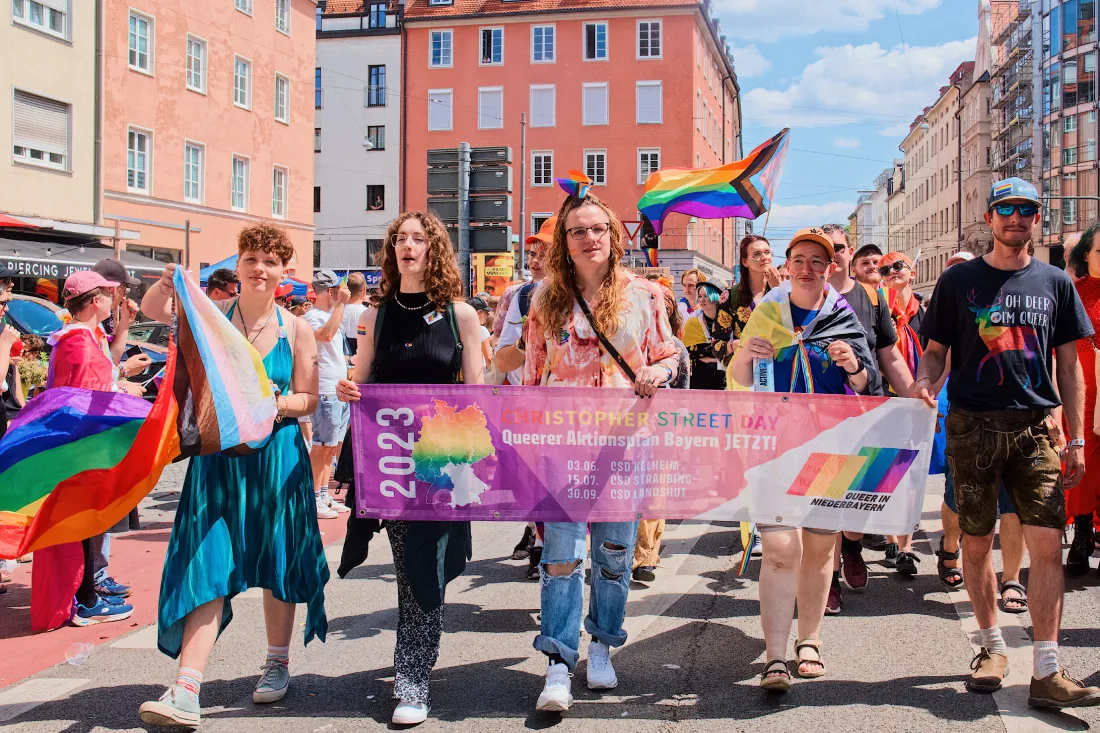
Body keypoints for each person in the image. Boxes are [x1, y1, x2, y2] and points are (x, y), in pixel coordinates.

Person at [914, 177, 1100, 708]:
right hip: (972, 426)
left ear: (1037, 219)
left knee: (1047, 546)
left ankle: (1047, 668)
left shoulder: (1056, 283)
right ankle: (992, 647)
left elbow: (1071, 367)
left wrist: (1078, 439)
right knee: (975, 544)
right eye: (1005, 209)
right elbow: (933, 351)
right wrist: (927, 381)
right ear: (989, 218)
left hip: (1038, 427)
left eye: (1026, 210)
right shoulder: (958, 283)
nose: (1015, 218)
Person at [137, 222, 328, 728]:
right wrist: (166, 282)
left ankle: (276, 663)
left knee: (278, 561)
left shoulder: (297, 329)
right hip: (218, 463)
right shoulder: (212, 318)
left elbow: (311, 398)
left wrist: (275, 402)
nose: (260, 270)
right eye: (251, 260)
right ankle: (186, 688)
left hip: (277, 456)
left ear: (284, 271)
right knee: (207, 561)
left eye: (270, 263)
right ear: (238, 265)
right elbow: (153, 312)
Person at [522, 193, 680, 712]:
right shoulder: (545, 300)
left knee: (614, 558)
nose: (589, 239)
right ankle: (558, 662)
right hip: (562, 449)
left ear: (614, 236)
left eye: (598, 229)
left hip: (624, 445)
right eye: (576, 232)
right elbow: (532, 376)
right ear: (564, 244)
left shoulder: (647, 296)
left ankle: (602, 644)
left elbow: (668, 353)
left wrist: (660, 371)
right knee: (561, 558)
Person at [335, 210, 484, 726]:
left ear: (434, 249)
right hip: (393, 461)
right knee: (410, 571)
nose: (408, 246)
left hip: (442, 464)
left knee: (430, 569)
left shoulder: (460, 315)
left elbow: (478, 397)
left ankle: (416, 667)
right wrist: (347, 389)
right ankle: (412, 677)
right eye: (401, 238)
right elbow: (361, 379)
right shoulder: (374, 315)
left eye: (419, 239)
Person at [729, 227, 876, 692]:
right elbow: (739, 377)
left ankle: (808, 640)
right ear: (786, 265)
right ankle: (775, 654)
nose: (808, 268)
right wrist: (747, 356)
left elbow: (866, 383)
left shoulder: (842, 313)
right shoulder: (768, 310)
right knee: (778, 548)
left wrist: (851, 363)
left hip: (833, 445)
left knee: (817, 548)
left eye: (818, 261)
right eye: (800, 260)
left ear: (830, 267)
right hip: (774, 445)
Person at [30, 271, 135, 630]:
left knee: (86, 521)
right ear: (93, 301)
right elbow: (87, 398)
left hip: (79, 441)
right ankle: (85, 600)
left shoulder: (81, 335)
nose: (112, 300)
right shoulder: (77, 339)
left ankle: (85, 592)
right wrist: (123, 388)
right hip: (79, 443)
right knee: (82, 521)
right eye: (108, 295)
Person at [820, 226, 915, 614]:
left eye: (838, 248)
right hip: (822, 418)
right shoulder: (806, 299)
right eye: (823, 250)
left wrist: (914, 398)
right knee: (826, 500)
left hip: (870, 409)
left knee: (863, 495)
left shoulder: (872, 297)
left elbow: (889, 356)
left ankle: (854, 548)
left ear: (849, 251)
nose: (832, 256)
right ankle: (827, 579)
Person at [494, 217, 555, 571]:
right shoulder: (521, 296)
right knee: (533, 486)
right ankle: (539, 545)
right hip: (527, 409)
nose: (535, 259)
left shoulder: (594, 295)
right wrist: (527, 337)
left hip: (573, 415)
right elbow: (502, 356)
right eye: (532, 252)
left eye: (543, 252)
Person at [633, 285, 690, 583]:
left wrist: (678, 437)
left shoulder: (678, 349)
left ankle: (646, 557)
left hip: (663, 429)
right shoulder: (629, 339)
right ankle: (628, 551)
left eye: (665, 305)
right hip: (628, 429)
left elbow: (683, 396)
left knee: (655, 494)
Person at [1064, 224, 1100, 576]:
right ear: (1085, 256)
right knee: (1084, 463)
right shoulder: (1072, 293)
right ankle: (1082, 534)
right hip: (1085, 390)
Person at [303, 270, 353, 519]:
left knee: (330, 447)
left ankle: (323, 494)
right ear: (330, 291)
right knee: (321, 448)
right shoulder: (312, 316)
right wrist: (342, 304)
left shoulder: (327, 314)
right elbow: (325, 335)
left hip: (338, 389)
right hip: (325, 390)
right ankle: (314, 498)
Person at [682, 281, 729, 390]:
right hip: (700, 378)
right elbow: (688, 352)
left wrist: (711, 357)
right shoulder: (692, 322)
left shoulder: (729, 321)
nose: (702, 299)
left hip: (724, 378)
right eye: (700, 296)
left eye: (706, 296)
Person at [340, 273, 368, 358]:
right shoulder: (367, 314)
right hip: (359, 361)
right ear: (364, 290)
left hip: (338, 361)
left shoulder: (335, 312)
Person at [466, 296, 494, 367]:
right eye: (486, 312)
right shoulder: (481, 330)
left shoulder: (460, 328)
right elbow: (488, 358)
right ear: (479, 312)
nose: (488, 315)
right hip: (479, 373)